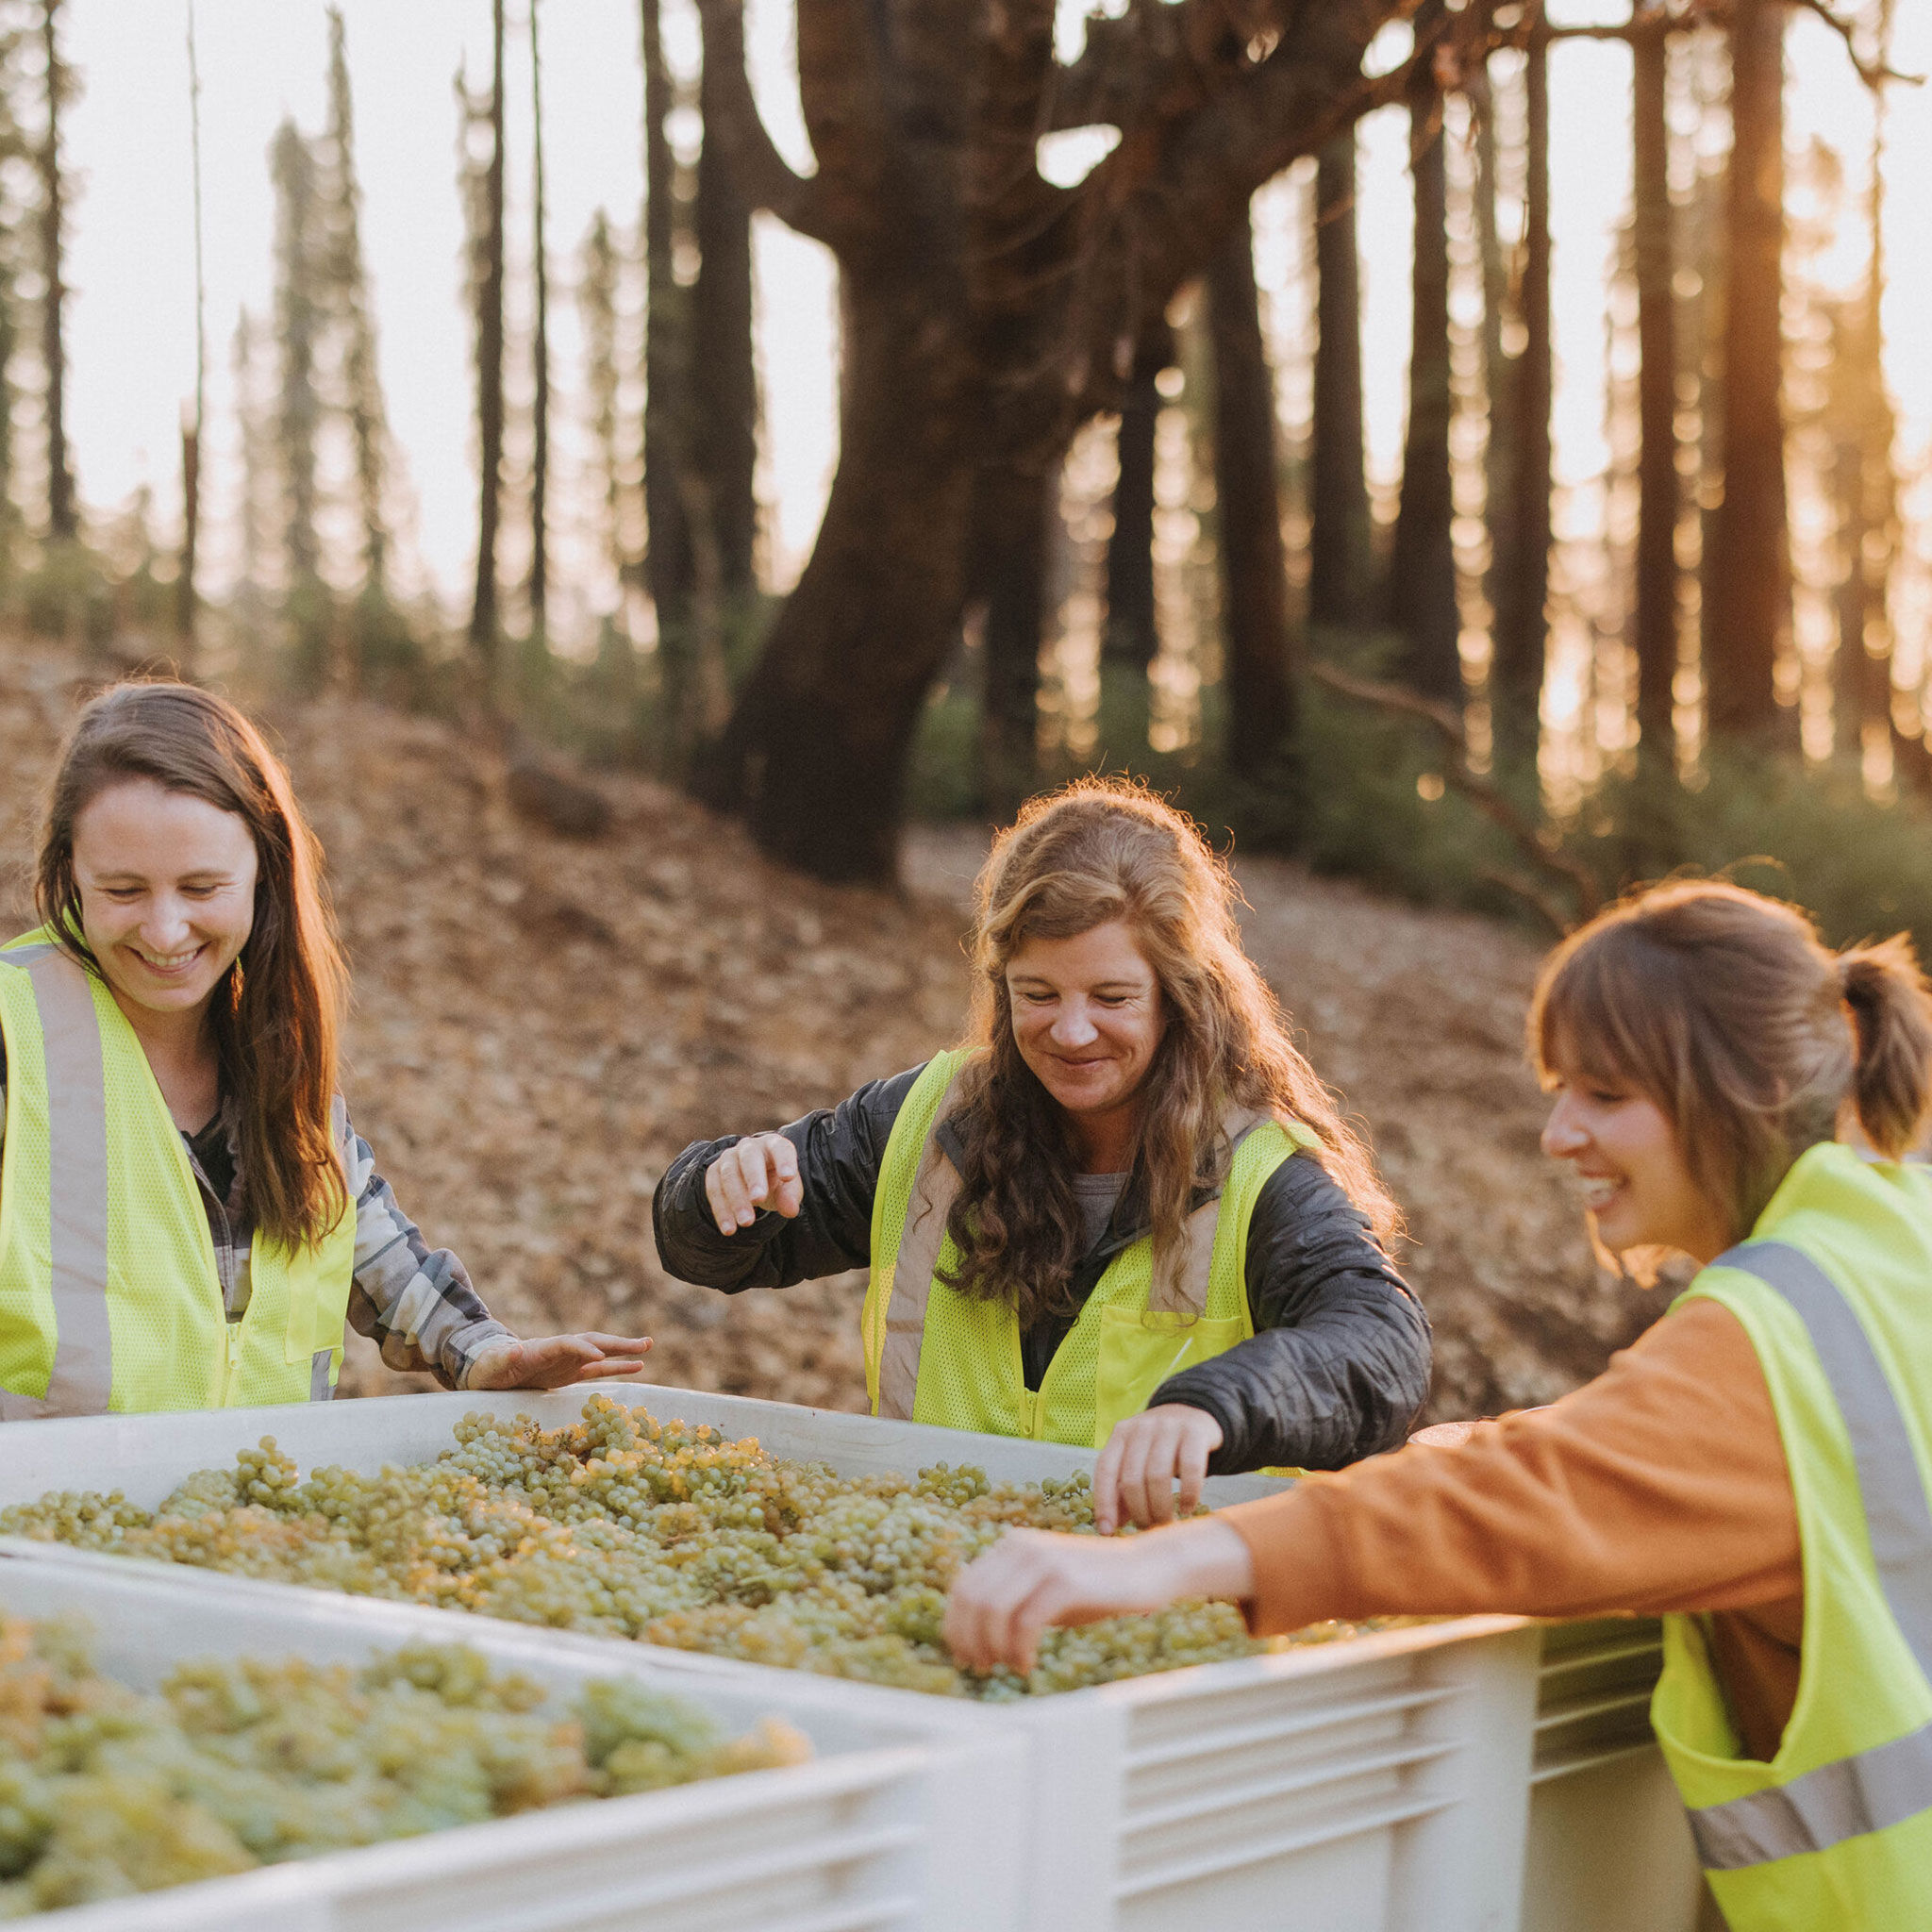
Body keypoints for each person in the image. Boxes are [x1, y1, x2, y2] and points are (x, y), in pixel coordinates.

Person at [945, 878, 1932, 1928]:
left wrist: (1159, 1560)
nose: (1557, 1135)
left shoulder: (1775, 1329)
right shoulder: (1883, 1243)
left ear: (1751, 1086)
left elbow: (1538, 1494)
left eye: (1604, 1094)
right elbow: (1653, 1458)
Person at [655, 777, 1429, 1529]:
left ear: (1181, 993)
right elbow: (702, 1251)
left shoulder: (1263, 1172)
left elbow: (1383, 1352)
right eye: (1038, 994)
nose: (1071, 1032)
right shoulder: (928, 1117)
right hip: (924, 1584)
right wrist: (719, 1188)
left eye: (1112, 997)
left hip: (1160, 1616)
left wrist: (1213, 1406)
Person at [0, 680, 653, 1419]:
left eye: (201, 886)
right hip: (42, 1520)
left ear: (264, 875)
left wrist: (484, 1353)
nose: (165, 929)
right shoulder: (11, 1034)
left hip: (260, 1517)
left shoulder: (271, 1049)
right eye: (123, 890)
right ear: (70, 877)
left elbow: (364, 1240)